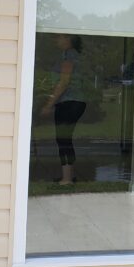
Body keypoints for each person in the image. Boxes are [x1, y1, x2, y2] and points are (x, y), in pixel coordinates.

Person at [40, 34, 86, 185]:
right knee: (64, 139)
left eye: (58, 37)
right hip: (73, 102)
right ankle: (68, 177)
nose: (55, 40)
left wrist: (49, 104)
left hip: (69, 102)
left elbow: (64, 81)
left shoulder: (69, 55)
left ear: (68, 39)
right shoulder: (72, 55)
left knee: (63, 139)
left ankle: (67, 179)